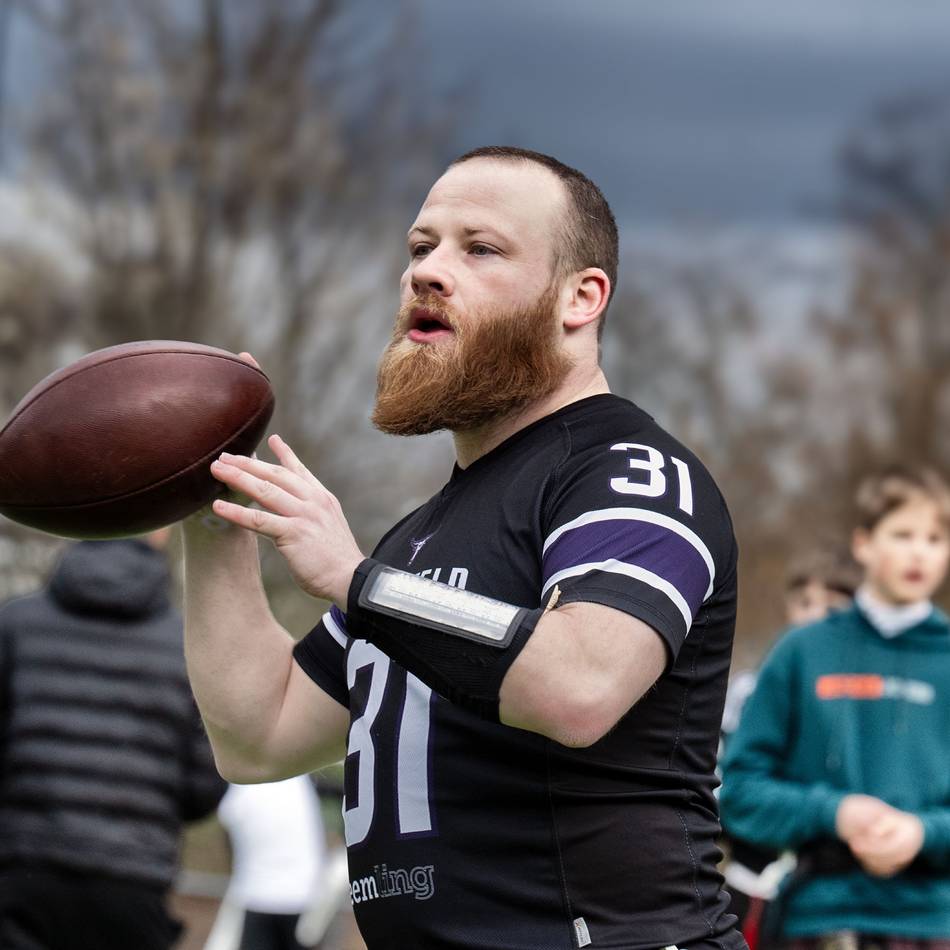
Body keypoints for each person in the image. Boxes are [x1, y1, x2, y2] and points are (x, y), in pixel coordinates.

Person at [182, 146, 744, 950]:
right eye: (420, 247)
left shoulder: (628, 471)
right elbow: (257, 734)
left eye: (480, 249)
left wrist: (354, 580)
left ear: (579, 298)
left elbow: (580, 685)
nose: (429, 272)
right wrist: (210, 517)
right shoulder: (416, 539)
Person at [720, 466, 950, 949]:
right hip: (817, 919)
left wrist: (922, 833)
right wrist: (835, 812)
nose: (918, 552)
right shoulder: (801, 653)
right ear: (864, 544)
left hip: (933, 922)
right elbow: (739, 794)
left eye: (934, 538)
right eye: (902, 534)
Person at [0, 530, 227, 950]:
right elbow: (208, 782)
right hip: (133, 879)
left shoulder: (14, 622)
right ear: (160, 532)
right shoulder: (188, 643)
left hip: (23, 869)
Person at [720, 545, 861, 948]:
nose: (815, 616)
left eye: (834, 608)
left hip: (837, 889)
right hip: (753, 879)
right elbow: (723, 783)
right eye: (805, 603)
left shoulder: (871, 698)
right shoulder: (750, 691)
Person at [215, 775, 331, 950]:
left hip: (259, 897)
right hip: (304, 895)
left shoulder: (237, 785)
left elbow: (227, 841)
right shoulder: (299, 777)